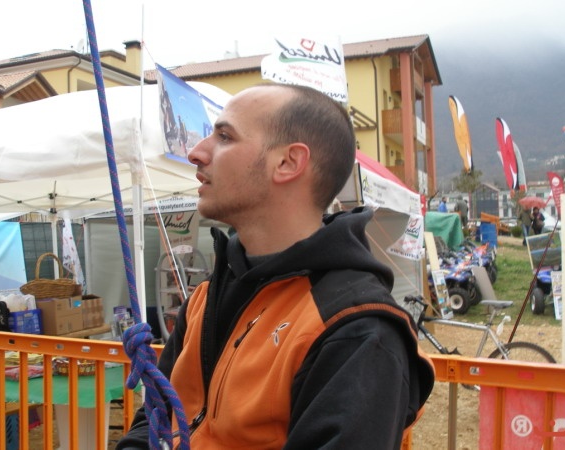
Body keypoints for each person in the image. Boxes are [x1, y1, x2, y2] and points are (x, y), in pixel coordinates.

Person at [117, 84, 434, 449]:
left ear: (288, 163)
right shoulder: (205, 298)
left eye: (224, 136)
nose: (196, 152)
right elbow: (157, 418)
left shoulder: (356, 328)